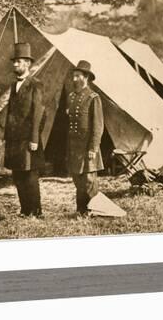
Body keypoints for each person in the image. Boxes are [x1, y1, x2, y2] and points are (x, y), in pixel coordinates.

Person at [4, 42, 46, 218]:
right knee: (18, 175)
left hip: (29, 139)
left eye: (19, 62)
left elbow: (38, 113)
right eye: (14, 62)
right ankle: (24, 210)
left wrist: (34, 139)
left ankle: (36, 211)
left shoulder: (36, 84)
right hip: (14, 139)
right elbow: (11, 112)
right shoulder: (14, 85)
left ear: (27, 63)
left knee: (30, 176)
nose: (15, 65)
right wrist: (6, 136)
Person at [65, 60, 104, 217]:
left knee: (89, 180)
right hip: (74, 147)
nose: (74, 79)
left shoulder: (93, 97)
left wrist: (93, 148)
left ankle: (92, 210)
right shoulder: (72, 96)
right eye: (73, 76)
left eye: (78, 76)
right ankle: (81, 210)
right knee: (78, 180)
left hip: (88, 146)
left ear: (86, 77)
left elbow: (98, 126)